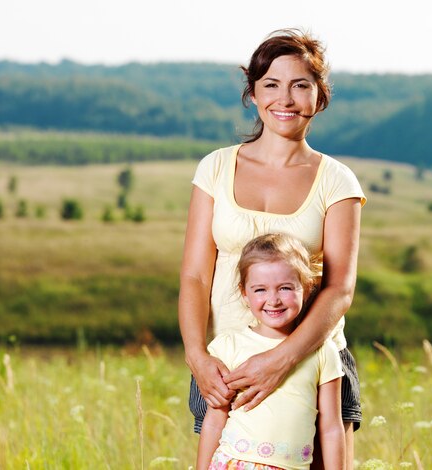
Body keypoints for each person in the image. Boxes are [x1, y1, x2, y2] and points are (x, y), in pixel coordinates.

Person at [178, 28, 366, 468]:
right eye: (271, 85)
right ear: (253, 94)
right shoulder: (216, 166)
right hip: (230, 365)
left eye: (301, 85)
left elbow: (339, 289)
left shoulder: (338, 180)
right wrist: (197, 356)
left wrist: (282, 358)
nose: (286, 99)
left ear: (319, 96)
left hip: (312, 363)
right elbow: (194, 275)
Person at [197, 233, 345, 470]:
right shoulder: (229, 346)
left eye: (285, 288)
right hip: (233, 463)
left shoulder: (322, 351)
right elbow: (214, 421)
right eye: (260, 290)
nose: (273, 300)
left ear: (306, 288)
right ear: (244, 293)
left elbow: (331, 427)